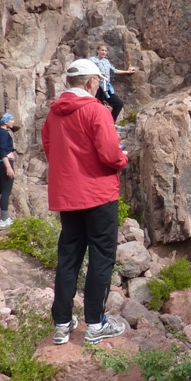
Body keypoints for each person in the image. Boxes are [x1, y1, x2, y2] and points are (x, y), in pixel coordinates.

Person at [42, 58, 129, 345]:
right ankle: (95, 324)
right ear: (91, 82)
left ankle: (62, 324)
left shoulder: (53, 114)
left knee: (69, 257)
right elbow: (110, 155)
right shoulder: (96, 111)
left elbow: (50, 150)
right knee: (101, 258)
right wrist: (123, 158)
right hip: (98, 194)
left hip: (67, 195)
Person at [89, 44, 136, 123]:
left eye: (105, 51)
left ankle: (110, 123)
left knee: (118, 104)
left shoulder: (106, 61)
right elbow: (88, 71)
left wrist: (127, 72)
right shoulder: (92, 60)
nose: (104, 52)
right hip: (97, 87)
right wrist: (99, 74)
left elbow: (114, 70)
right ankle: (95, 124)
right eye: (102, 50)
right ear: (97, 51)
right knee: (98, 107)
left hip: (106, 87)